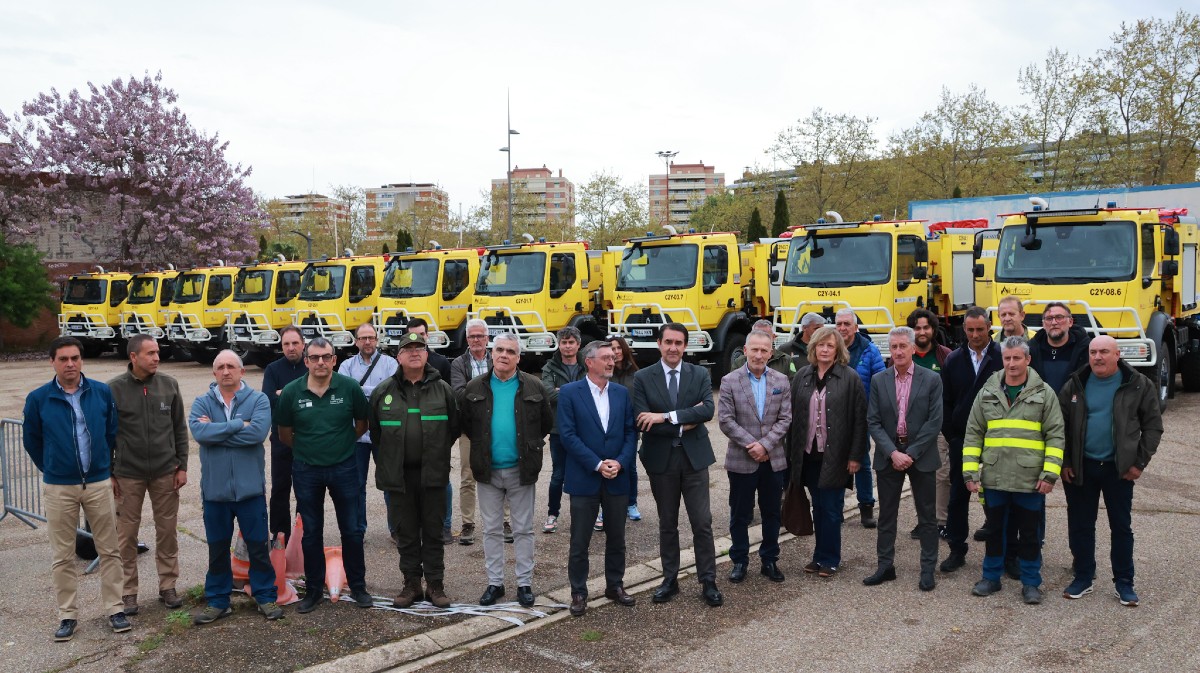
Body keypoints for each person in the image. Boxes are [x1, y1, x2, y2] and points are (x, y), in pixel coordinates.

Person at [23, 336, 129, 642]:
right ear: (52, 362)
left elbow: (111, 432)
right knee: (62, 555)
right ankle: (67, 615)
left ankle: (115, 609)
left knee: (109, 550)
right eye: (63, 359)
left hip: (97, 483)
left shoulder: (101, 392)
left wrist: (103, 467)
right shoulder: (38, 398)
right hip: (59, 486)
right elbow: (32, 440)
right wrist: (52, 467)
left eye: (75, 358)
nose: (70, 364)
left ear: (81, 360)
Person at [1058, 335, 1162, 606]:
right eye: (1093, 352)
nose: (1097, 357)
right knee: (1081, 525)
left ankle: (1124, 583)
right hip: (1082, 467)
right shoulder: (1076, 383)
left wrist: (1139, 463)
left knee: (1121, 526)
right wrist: (1065, 462)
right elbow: (1060, 427)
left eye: (1104, 351)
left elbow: (1153, 426)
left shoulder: (1138, 384)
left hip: (1119, 469)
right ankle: (1083, 577)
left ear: (1117, 355)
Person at [963, 336, 1065, 604]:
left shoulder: (1044, 394)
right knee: (995, 532)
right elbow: (973, 434)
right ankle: (991, 577)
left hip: (1029, 480)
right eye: (1007, 358)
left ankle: (1031, 583)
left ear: (1028, 359)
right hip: (994, 477)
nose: (1011, 363)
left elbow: (1055, 436)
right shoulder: (987, 392)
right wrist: (970, 473)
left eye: (1017, 358)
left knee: (1030, 535)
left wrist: (1049, 475)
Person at [276, 337, 373, 613]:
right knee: (311, 533)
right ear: (306, 361)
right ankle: (314, 590)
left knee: (352, 530)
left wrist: (341, 444)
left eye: (326, 357)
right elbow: (285, 434)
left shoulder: (350, 388)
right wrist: (309, 449)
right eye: (315, 357)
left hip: (344, 467)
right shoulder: (292, 392)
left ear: (334, 360)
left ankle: (358, 586)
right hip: (306, 470)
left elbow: (362, 424)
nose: (321, 362)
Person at [632, 323, 723, 607]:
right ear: (659, 344)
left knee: (702, 523)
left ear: (685, 346)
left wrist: (665, 417)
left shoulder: (699, 374)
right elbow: (642, 420)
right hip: (661, 461)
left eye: (679, 343)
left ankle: (708, 580)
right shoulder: (643, 377)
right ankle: (669, 579)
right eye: (668, 342)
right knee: (667, 523)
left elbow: (707, 410)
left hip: (695, 459)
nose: (673, 348)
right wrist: (686, 419)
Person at [188, 350, 281, 623]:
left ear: (242, 371)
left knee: (258, 549)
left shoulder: (258, 400)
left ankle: (265, 596)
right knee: (217, 550)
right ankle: (218, 601)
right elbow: (200, 434)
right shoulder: (202, 402)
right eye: (220, 367)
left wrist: (217, 431)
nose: (226, 371)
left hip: (250, 491)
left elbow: (257, 434)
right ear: (214, 373)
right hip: (215, 492)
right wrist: (239, 424)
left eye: (231, 366)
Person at [460, 333, 552, 607]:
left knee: (523, 529)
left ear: (518, 357)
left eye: (510, 351)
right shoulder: (474, 387)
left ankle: (524, 583)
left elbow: (545, 423)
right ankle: (495, 583)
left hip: (521, 469)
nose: (504, 355)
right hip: (487, 470)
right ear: (492, 353)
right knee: (491, 530)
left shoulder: (534, 385)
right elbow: (467, 425)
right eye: (499, 349)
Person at [369, 332, 460, 608]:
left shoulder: (443, 389)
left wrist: (434, 453)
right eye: (408, 348)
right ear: (398, 356)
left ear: (427, 354)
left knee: (433, 530)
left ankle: (435, 585)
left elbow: (453, 429)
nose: (414, 352)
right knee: (406, 532)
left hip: (433, 473)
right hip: (399, 476)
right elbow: (376, 433)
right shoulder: (383, 391)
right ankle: (411, 585)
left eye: (419, 347)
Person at [107, 333, 188, 615]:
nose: (157, 358)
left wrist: (182, 466)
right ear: (133, 357)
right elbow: (106, 435)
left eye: (157, 352)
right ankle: (128, 592)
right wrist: (110, 472)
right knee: (126, 536)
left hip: (166, 472)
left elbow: (179, 428)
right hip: (128, 475)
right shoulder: (114, 389)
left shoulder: (169, 385)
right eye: (150, 353)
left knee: (167, 532)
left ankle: (168, 586)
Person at [559, 340, 639, 616]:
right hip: (584, 477)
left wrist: (620, 462)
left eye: (612, 357)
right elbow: (567, 435)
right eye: (605, 357)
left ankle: (614, 585)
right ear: (589, 362)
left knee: (617, 538)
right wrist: (596, 464)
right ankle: (579, 592)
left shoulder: (621, 393)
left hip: (617, 476)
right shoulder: (570, 393)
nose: (611, 361)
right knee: (580, 541)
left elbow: (630, 432)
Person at [864, 327, 943, 591]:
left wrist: (911, 453)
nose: (898, 351)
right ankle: (885, 566)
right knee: (887, 515)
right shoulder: (879, 380)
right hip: (890, 454)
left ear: (913, 348)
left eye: (903, 346)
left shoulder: (931, 379)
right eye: (894, 347)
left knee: (927, 516)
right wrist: (893, 452)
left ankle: (928, 569)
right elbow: (873, 421)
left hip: (921, 455)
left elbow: (935, 421)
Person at [789, 326, 868, 578]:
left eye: (830, 345)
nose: (824, 349)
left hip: (836, 456)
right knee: (818, 507)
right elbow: (792, 417)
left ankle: (830, 559)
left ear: (837, 350)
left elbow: (860, 420)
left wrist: (855, 456)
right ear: (813, 347)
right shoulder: (802, 376)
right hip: (808, 455)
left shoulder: (850, 377)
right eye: (820, 345)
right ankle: (818, 556)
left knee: (832, 509)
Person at [718, 330, 792, 584]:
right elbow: (726, 420)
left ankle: (769, 559)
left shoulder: (781, 380)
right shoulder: (729, 381)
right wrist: (753, 446)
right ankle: (739, 560)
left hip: (773, 459)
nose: (759, 355)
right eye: (755, 349)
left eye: (764, 350)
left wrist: (765, 446)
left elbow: (785, 419)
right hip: (742, 458)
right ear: (746, 351)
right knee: (739, 514)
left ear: (771, 353)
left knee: (772, 513)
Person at [939, 307, 1003, 573]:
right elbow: (945, 401)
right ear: (964, 329)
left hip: (997, 440)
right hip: (962, 440)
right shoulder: (953, 360)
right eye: (970, 330)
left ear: (989, 327)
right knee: (958, 496)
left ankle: (1003, 551)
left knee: (997, 497)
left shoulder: (1003, 357)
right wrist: (952, 435)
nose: (975, 335)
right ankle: (957, 548)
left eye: (980, 329)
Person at [337, 322, 398, 536]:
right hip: (357, 435)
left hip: (385, 435)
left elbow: (393, 393)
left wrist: (360, 390)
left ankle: (396, 529)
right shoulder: (346, 366)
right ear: (356, 342)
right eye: (363, 338)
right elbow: (346, 394)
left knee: (391, 483)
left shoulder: (391, 363)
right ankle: (358, 530)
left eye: (371, 337)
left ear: (377, 340)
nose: (367, 341)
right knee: (355, 486)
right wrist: (377, 392)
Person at [835, 308, 885, 528]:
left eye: (847, 324)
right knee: (837, 463)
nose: (843, 328)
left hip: (861, 417)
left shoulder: (869, 350)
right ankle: (836, 508)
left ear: (856, 327)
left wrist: (875, 413)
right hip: (835, 417)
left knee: (862, 461)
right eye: (839, 324)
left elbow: (880, 383)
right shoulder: (830, 348)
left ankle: (866, 507)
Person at [406, 318, 454, 544]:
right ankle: (412, 527)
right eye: (413, 335)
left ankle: (445, 526)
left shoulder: (441, 362)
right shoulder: (402, 362)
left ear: (428, 335)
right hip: (411, 438)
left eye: (422, 335)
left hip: (436, 436)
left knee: (442, 482)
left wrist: (445, 437)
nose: (418, 340)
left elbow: (451, 404)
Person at [906, 308, 952, 540]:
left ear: (933, 329)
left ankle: (941, 521)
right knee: (918, 476)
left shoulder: (946, 355)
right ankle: (924, 520)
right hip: (913, 426)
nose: (922, 332)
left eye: (926, 327)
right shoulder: (904, 355)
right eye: (917, 328)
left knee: (941, 475)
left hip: (939, 424)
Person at [262, 325, 307, 542]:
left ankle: (303, 533)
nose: (291, 348)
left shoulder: (311, 366)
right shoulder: (273, 369)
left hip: (307, 439)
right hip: (280, 438)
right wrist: (297, 395)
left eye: (295, 343)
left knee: (305, 489)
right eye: (286, 344)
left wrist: (283, 393)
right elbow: (268, 399)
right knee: (280, 488)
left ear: (303, 344)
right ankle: (280, 534)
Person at [540, 326, 587, 534]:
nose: (567, 346)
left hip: (585, 429)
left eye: (571, 342)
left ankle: (591, 513)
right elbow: (548, 394)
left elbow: (593, 390)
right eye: (564, 342)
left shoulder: (587, 365)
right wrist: (577, 393)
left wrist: (564, 392)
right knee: (558, 475)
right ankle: (552, 514)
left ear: (578, 344)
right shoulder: (549, 368)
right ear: (559, 345)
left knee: (588, 471)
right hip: (558, 429)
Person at [449, 318, 492, 545]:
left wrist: (474, 391)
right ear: (466, 339)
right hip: (469, 428)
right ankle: (468, 524)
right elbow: (459, 393)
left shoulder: (497, 358)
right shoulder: (458, 363)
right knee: (468, 477)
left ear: (487, 338)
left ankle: (503, 522)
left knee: (500, 474)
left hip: (496, 427)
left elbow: (507, 387)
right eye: (472, 336)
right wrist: (488, 391)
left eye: (480, 336)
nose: (476, 340)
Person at [607, 335, 642, 521]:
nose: (616, 352)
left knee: (630, 467)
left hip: (629, 427)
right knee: (607, 465)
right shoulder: (605, 372)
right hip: (608, 428)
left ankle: (631, 503)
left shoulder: (636, 374)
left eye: (619, 348)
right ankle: (606, 505)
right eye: (612, 348)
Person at [1029, 302, 1091, 395]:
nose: (1054, 322)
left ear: (1070, 322)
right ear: (1043, 324)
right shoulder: (1031, 350)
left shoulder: (1086, 350)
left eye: (1059, 317)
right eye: (1049, 318)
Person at [731, 319, 799, 379]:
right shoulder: (739, 362)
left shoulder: (785, 361)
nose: (761, 339)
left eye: (766, 336)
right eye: (757, 335)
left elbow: (792, 385)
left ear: (773, 337)